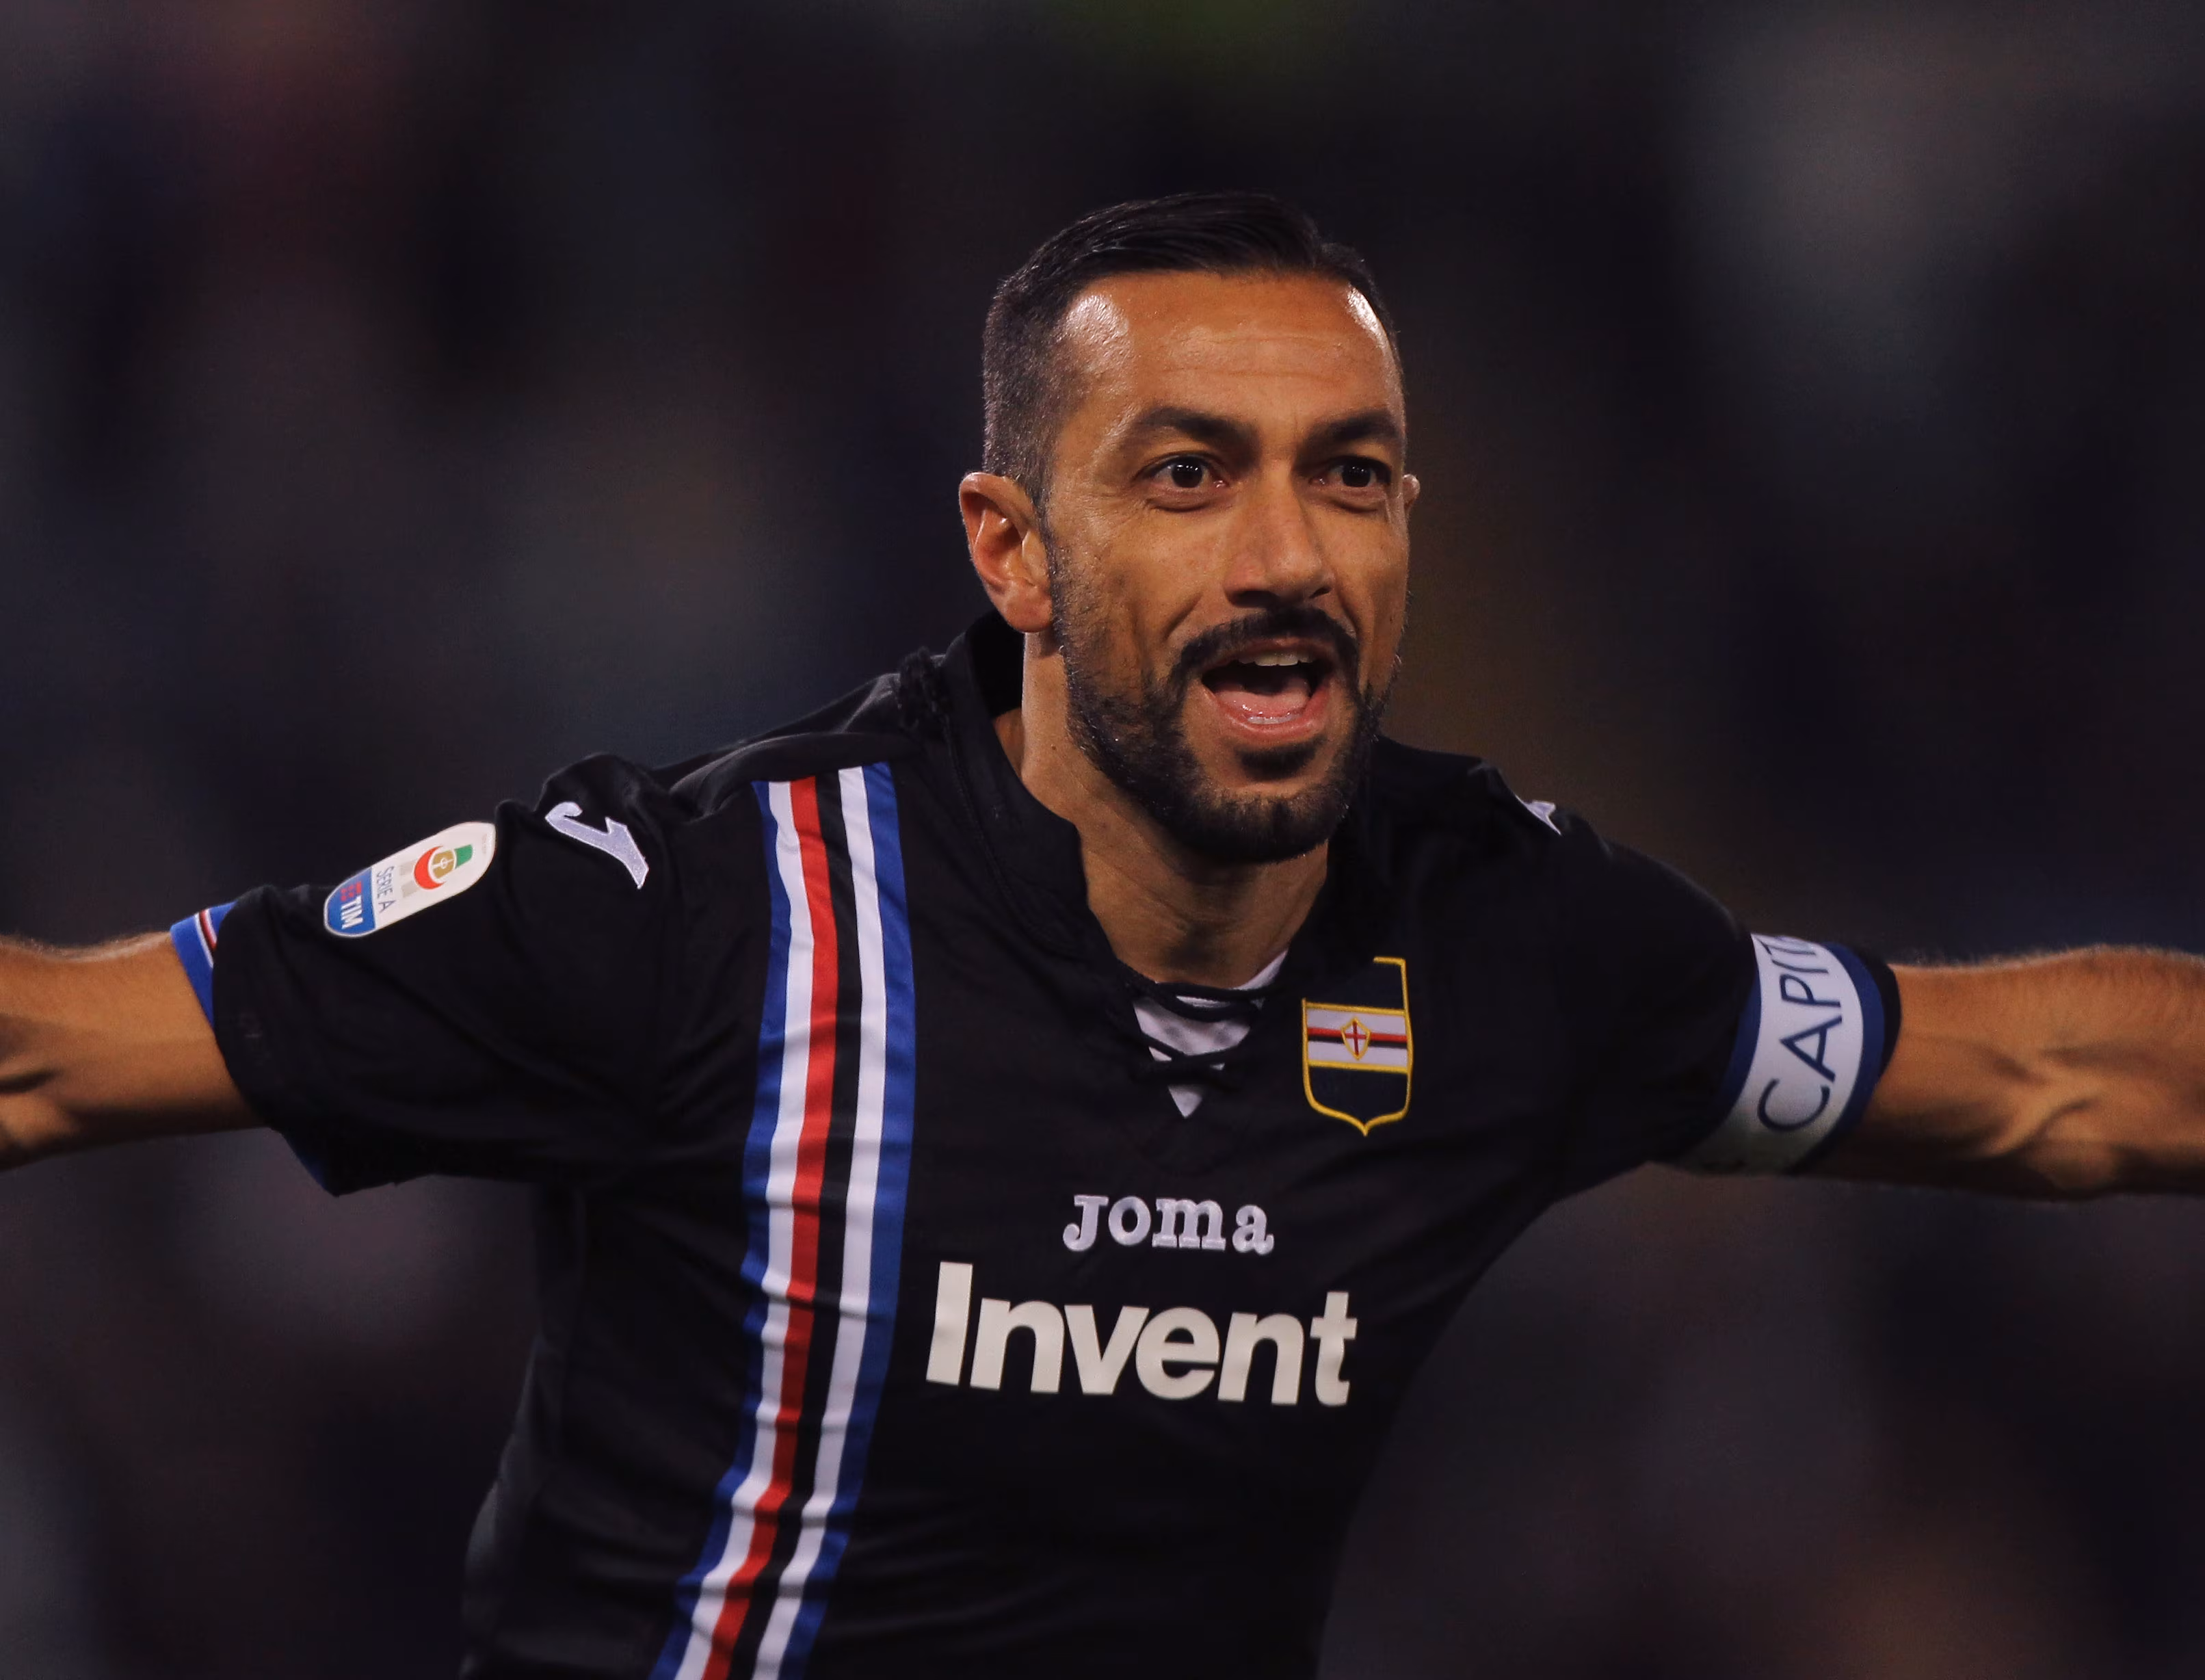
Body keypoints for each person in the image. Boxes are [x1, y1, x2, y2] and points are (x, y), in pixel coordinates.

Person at [1, 191, 2200, 1680]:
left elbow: (2050, 1082)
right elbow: (55, 1047)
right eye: (1186, 475)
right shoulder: (710, 911)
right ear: (1013, 552)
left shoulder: (1509, 942)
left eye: (1350, 475)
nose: (1286, 554)